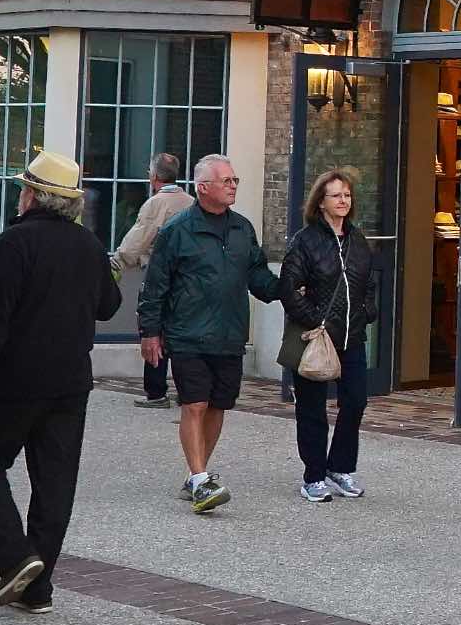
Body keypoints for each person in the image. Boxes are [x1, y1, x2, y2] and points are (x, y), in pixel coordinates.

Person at [0, 151, 121, 614]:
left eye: (24, 189)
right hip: (70, 381)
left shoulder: (14, 243)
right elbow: (109, 306)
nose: (20, 195)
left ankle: (16, 559)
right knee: (55, 483)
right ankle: (37, 587)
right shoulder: (88, 245)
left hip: (15, 379)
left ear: (35, 196)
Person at [138, 155, 278, 514]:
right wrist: (150, 332)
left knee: (217, 405)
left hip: (229, 334)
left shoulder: (242, 229)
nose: (233, 186)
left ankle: (193, 474)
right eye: (226, 181)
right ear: (203, 188)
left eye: (235, 180)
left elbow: (258, 275)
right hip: (187, 334)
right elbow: (155, 285)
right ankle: (201, 479)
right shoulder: (177, 231)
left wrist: (290, 288)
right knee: (195, 403)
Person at [278, 168, 381, 503]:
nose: (343, 201)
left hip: (352, 336)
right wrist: (315, 320)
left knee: (355, 401)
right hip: (316, 337)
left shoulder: (358, 239)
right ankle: (313, 476)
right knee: (312, 409)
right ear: (320, 202)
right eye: (336, 195)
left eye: (347, 195)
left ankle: (340, 467)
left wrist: (366, 312)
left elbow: (369, 283)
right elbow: (289, 289)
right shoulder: (305, 241)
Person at [117, 153, 193, 407]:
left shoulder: (156, 204)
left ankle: (156, 392)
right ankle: (188, 391)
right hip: (189, 280)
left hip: (157, 275)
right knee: (183, 333)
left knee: (154, 331)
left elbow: (138, 239)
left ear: (154, 176)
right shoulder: (192, 202)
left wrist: (118, 263)